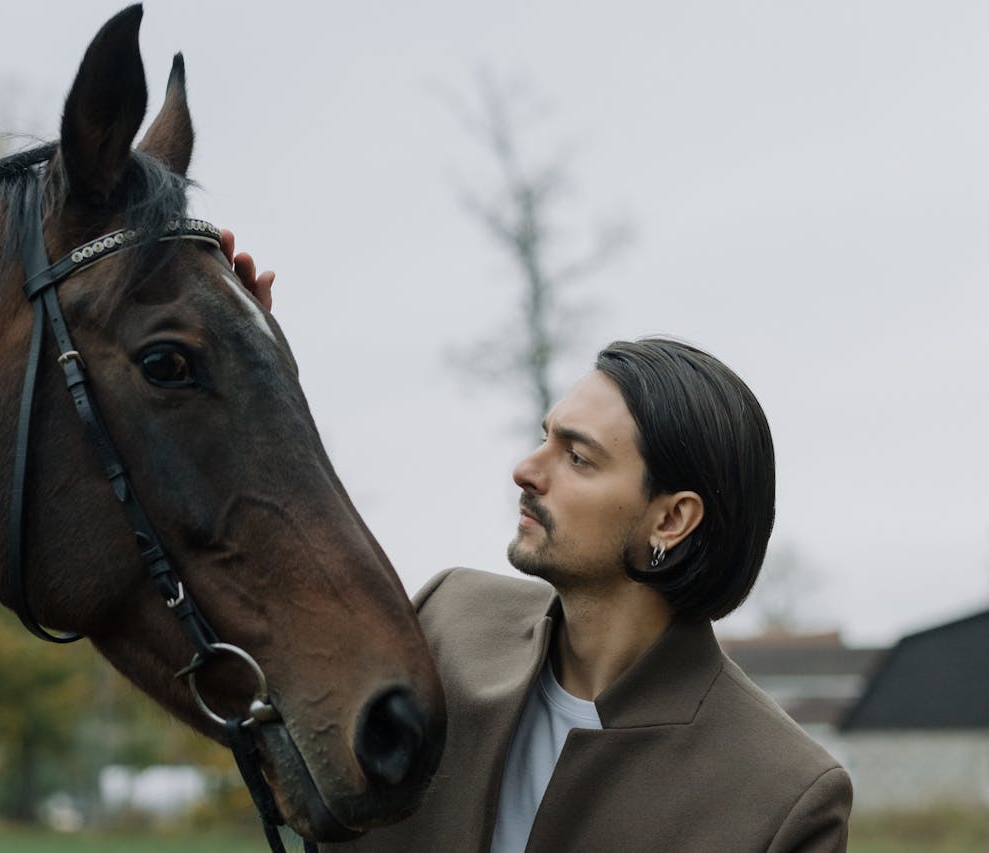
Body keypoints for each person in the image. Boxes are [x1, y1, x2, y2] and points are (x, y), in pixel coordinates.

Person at [222, 232, 852, 853]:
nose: (526, 468)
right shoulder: (450, 620)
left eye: (577, 457)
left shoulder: (784, 798)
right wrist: (239, 383)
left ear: (671, 520)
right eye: (545, 436)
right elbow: (302, 759)